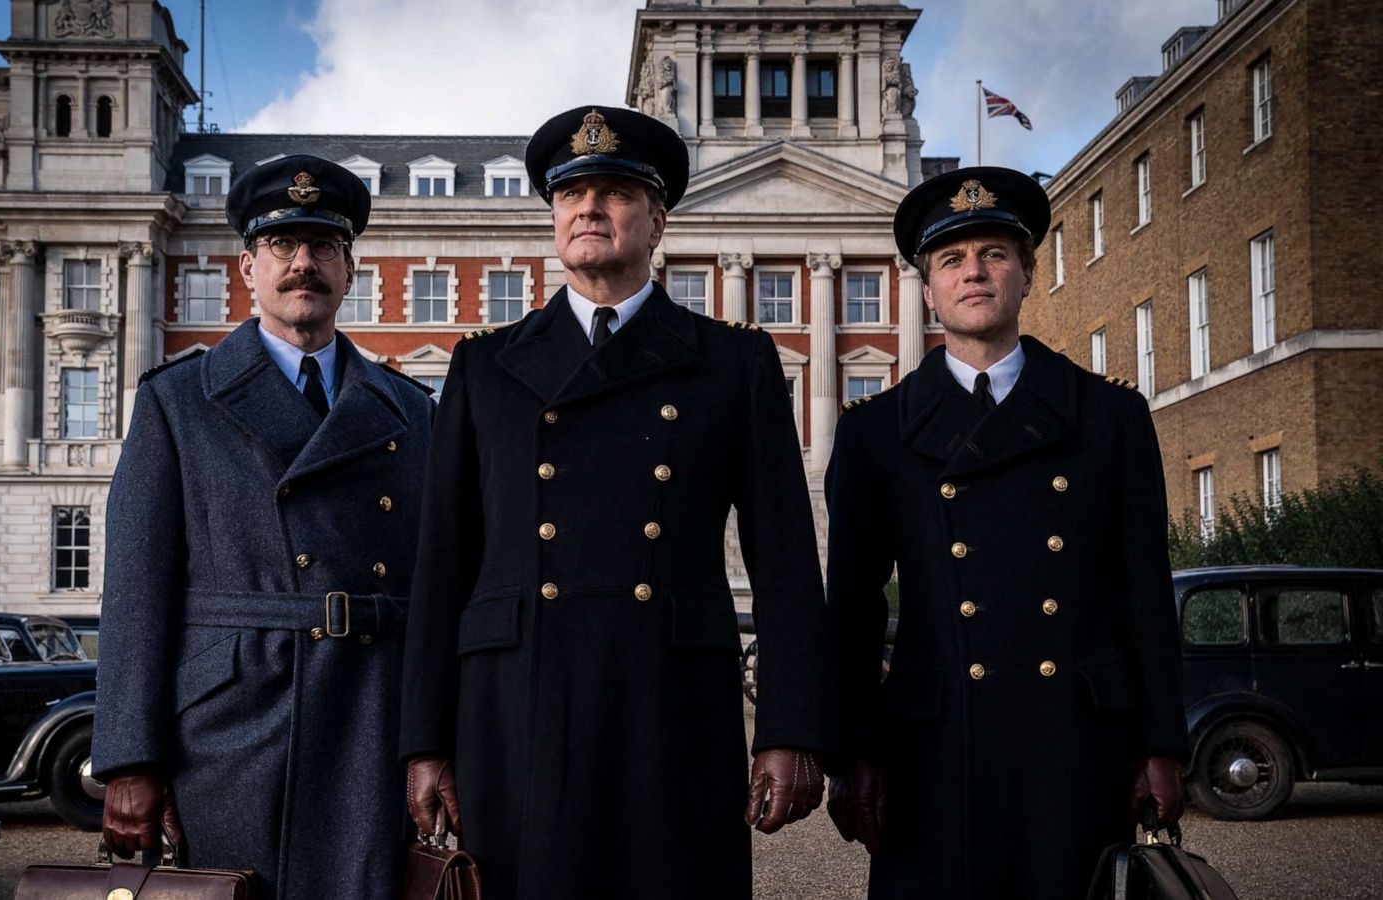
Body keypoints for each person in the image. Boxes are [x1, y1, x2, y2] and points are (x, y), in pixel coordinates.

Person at [398, 106, 833, 900]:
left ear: (658, 219)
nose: (589, 209)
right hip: (518, 704)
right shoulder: (484, 367)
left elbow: (786, 563)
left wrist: (790, 730)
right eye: (571, 194)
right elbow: (443, 564)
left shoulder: (733, 362)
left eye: (615, 192)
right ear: (554, 218)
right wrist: (424, 742)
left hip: (668, 705)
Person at [824, 166, 1187, 898]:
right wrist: (853, 753)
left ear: (1025, 274)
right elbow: (854, 613)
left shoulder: (1109, 418)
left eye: (994, 254)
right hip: (935, 748)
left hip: (1076, 744)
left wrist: (1161, 744)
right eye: (951, 260)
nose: (974, 272)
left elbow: (1144, 590)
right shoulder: (875, 434)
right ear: (928, 290)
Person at [91, 155, 435, 899]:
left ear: (351, 272)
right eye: (283, 246)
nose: (302, 264)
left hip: (372, 712)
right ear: (249, 267)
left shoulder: (412, 411)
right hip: (232, 725)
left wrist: (436, 739)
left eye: (323, 247)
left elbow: (441, 585)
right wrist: (129, 760)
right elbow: (136, 592)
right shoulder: (178, 402)